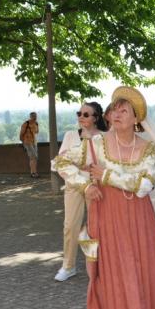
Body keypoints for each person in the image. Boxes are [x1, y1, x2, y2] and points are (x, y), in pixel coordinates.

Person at [52, 86, 155, 309]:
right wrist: (85, 185)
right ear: (108, 116)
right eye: (114, 110)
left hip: (139, 219)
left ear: (136, 119)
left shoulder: (148, 149)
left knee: (147, 268)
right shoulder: (95, 144)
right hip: (105, 215)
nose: (117, 114)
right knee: (104, 269)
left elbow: (145, 186)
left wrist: (107, 176)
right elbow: (60, 163)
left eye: (124, 111)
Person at [53, 102, 108, 282]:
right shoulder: (70, 135)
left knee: (94, 227)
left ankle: (94, 265)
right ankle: (68, 266)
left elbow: (107, 163)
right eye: (79, 113)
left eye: (86, 114)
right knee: (70, 226)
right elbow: (61, 163)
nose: (81, 117)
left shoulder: (105, 137)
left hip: (95, 186)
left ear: (96, 118)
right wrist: (79, 171)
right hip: (74, 185)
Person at [19, 112, 39, 177]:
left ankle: (34, 172)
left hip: (34, 142)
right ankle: (33, 173)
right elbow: (21, 134)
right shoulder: (26, 124)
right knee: (34, 157)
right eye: (33, 116)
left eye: (35, 116)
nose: (35, 117)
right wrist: (24, 143)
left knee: (34, 158)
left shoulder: (36, 123)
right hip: (27, 142)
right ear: (30, 117)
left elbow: (36, 132)